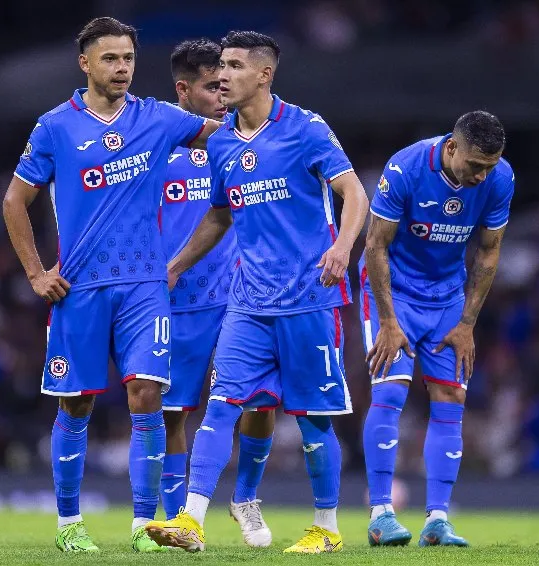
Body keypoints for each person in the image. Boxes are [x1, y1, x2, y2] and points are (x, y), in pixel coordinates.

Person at [2, 17, 220, 553]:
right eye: (110, 59)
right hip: (79, 288)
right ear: (85, 64)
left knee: (147, 396)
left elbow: (228, 134)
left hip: (146, 285)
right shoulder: (55, 126)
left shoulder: (157, 118)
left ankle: (144, 526)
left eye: (127, 58)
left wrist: (274, 124)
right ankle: (69, 524)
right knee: (75, 405)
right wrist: (35, 272)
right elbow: (14, 201)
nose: (121, 68)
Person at [145, 30, 368, 553]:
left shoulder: (306, 129)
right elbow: (220, 215)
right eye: (221, 65)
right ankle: (190, 520)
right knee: (221, 406)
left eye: (236, 66)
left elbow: (353, 192)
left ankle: (327, 528)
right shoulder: (221, 139)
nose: (223, 75)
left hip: (310, 298)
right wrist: (176, 265)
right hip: (248, 302)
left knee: (312, 419)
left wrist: (342, 248)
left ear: (265, 74)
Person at [361, 111, 513, 547]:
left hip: (447, 299)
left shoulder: (500, 178)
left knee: (452, 395)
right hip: (394, 292)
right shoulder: (406, 168)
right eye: (475, 166)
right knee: (390, 389)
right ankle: (381, 514)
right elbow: (375, 245)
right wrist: (388, 321)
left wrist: (467, 322)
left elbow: (488, 251)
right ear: (451, 149)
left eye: (490, 165)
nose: (483, 175)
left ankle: (437, 521)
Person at [160, 38, 274, 548]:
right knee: (171, 413)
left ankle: (245, 498)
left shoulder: (238, 143)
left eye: (226, 78)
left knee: (259, 402)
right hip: (173, 302)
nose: (222, 92)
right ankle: (175, 514)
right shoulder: (151, 144)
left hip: (236, 297)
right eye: (211, 85)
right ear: (184, 90)